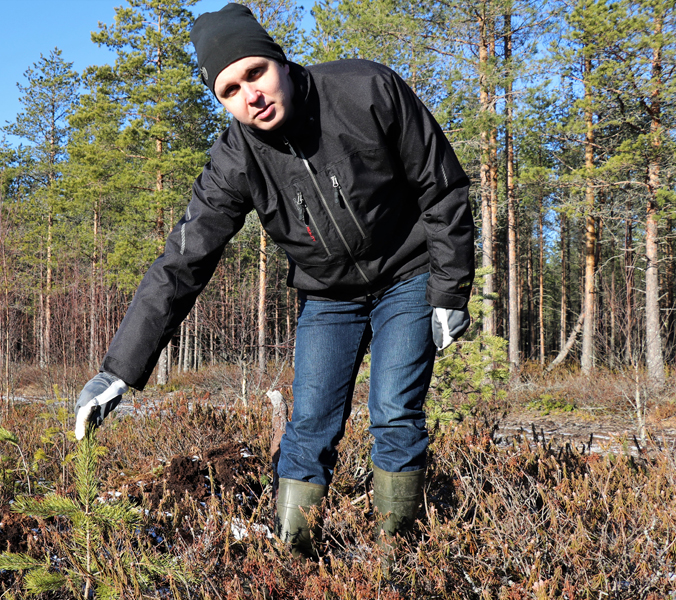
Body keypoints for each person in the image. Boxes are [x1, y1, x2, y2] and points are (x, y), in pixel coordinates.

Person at [74, 2, 475, 563]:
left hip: (408, 276)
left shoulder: (366, 89)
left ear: (279, 61)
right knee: (309, 426)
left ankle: (395, 561)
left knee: (394, 413)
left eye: (255, 73)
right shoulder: (234, 161)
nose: (250, 96)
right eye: (230, 89)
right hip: (329, 296)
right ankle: (294, 563)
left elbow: (442, 187)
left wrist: (450, 290)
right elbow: (182, 262)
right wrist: (118, 370)